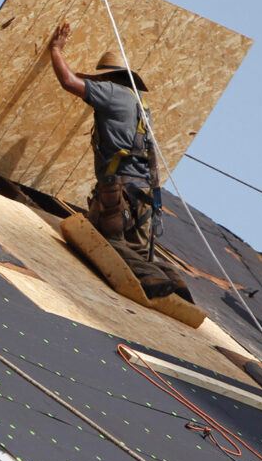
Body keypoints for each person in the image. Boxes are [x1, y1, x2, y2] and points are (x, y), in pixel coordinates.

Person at [49, 22, 191, 302]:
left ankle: (152, 279)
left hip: (119, 191)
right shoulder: (139, 105)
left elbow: (69, 82)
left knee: (106, 243)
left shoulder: (111, 94)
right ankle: (173, 279)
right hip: (145, 194)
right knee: (138, 252)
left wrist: (56, 50)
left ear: (110, 79)